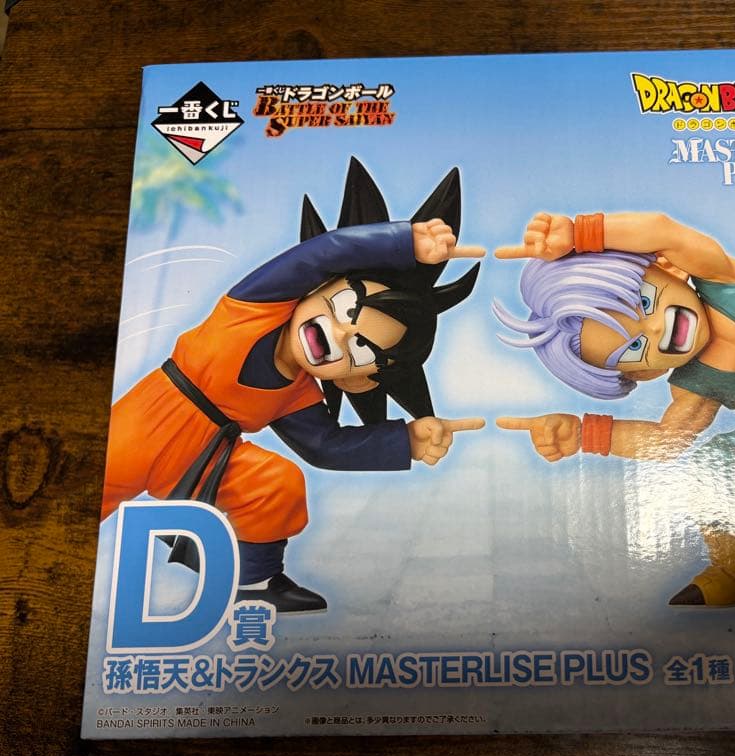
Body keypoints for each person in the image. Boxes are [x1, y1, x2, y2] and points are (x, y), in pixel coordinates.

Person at [101, 158, 486, 613]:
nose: (339, 334)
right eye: (344, 306)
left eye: (361, 349)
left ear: (359, 377)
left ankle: (255, 582)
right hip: (145, 425)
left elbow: (326, 447)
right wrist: (402, 241)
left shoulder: (298, 393)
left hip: (209, 457)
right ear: (318, 288)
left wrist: (405, 439)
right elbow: (319, 254)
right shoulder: (253, 307)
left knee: (276, 483)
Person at [493, 211, 735, 607]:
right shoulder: (693, 384)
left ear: (669, 268)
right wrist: (585, 433)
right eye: (634, 348)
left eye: (644, 302)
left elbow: (664, 231)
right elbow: (668, 440)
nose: (655, 330)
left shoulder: (727, 282)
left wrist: (580, 233)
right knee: (710, 471)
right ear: (643, 373)